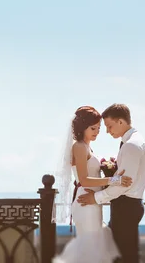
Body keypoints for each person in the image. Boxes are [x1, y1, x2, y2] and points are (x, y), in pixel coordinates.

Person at [53, 106, 133, 263]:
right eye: (93, 128)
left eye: (99, 128)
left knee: (95, 246)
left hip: (93, 201)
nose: (97, 132)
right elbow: (84, 180)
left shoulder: (87, 146)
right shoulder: (79, 147)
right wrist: (114, 180)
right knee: (90, 247)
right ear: (83, 127)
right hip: (85, 201)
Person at [77, 103, 145, 263]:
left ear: (121, 122)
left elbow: (123, 185)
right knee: (126, 254)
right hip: (131, 205)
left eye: (109, 126)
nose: (107, 131)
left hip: (126, 206)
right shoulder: (138, 141)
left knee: (122, 256)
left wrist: (96, 198)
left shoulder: (132, 145)